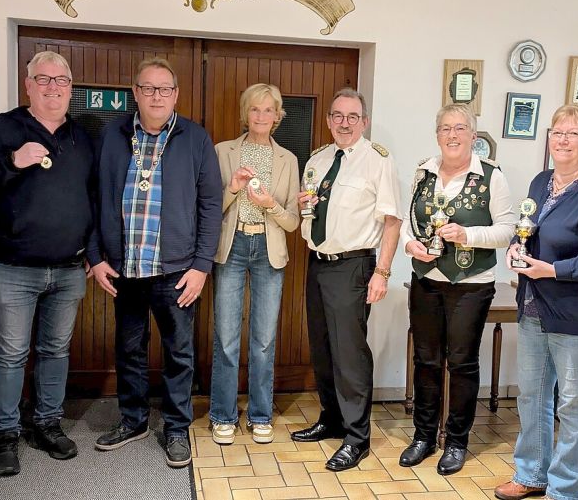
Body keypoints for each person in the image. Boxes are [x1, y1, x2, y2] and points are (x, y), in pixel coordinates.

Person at [0, 51, 95, 476]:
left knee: (55, 352)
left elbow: (93, 196)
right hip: (14, 267)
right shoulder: (6, 127)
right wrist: (13, 161)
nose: (53, 87)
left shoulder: (82, 136)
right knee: (11, 354)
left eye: (62, 81)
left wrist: (92, 251)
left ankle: (48, 425)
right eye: (44, 79)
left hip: (70, 269)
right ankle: (5, 436)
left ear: (71, 88)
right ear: (29, 84)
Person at [88, 57, 221, 468]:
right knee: (129, 349)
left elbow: (211, 204)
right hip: (124, 268)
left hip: (178, 270)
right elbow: (93, 199)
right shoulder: (112, 135)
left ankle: (177, 428)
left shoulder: (195, 138)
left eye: (164, 88)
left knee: (179, 351)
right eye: (148, 88)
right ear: (135, 93)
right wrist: (94, 258)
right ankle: (133, 420)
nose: (156, 95)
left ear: (176, 94)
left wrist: (201, 266)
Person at [495, 105, 578, 500]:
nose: (563, 140)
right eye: (557, 132)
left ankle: (565, 490)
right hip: (534, 306)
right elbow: (528, 229)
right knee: (532, 395)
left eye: (573, 133)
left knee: (572, 405)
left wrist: (554, 270)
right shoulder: (541, 182)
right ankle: (531, 474)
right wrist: (516, 250)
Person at [399, 103, 515, 475]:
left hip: (471, 285)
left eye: (460, 128)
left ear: (473, 135)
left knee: (462, 364)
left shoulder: (492, 176)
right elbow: (407, 221)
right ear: (437, 135)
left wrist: (469, 235)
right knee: (426, 360)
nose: (452, 135)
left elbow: (508, 229)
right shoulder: (423, 172)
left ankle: (457, 441)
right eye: (446, 128)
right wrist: (408, 244)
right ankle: (424, 436)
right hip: (426, 281)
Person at [289, 88, 402, 471]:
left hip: (353, 266)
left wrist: (382, 272)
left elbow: (392, 221)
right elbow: (307, 206)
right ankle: (332, 419)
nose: (344, 123)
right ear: (328, 120)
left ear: (364, 121)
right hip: (317, 263)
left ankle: (357, 437)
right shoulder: (318, 160)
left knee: (350, 354)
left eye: (353, 116)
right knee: (322, 347)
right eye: (337, 115)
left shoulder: (377, 161)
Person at [209, 84, 300, 445]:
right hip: (231, 247)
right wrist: (232, 188)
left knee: (263, 340)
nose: (261, 117)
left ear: (278, 116)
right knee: (226, 337)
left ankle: (261, 414)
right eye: (255, 110)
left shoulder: (289, 160)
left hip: (268, 248)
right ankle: (223, 415)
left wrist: (267, 204)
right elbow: (210, 210)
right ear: (245, 113)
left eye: (268, 110)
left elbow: (293, 221)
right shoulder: (223, 152)